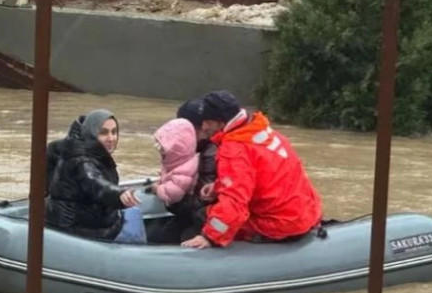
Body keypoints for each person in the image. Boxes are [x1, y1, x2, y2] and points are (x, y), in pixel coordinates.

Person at [181, 90, 322, 248]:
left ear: (221, 122)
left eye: (208, 122)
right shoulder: (261, 131)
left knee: (201, 216)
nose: (205, 127)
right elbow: (258, 177)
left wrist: (209, 237)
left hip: (279, 224)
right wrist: (218, 186)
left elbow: (235, 203)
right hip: (304, 214)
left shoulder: (234, 150)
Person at [46, 109, 145, 243]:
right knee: (134, 220)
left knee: (132, 212)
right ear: (91, 133)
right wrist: (118, 194)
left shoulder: (72, 148)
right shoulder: (81, 161)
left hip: (83, 220)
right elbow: (95, 182)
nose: (111, 138)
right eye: (103, 133)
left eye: (114, 132)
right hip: (81, 230)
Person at [147, 100, 218, 244]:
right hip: (192, 213)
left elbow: (199, 205)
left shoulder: (211, 155)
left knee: (174, 238)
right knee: (157, 235)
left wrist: (168, 197)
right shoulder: (188, 153)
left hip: (205, 219)